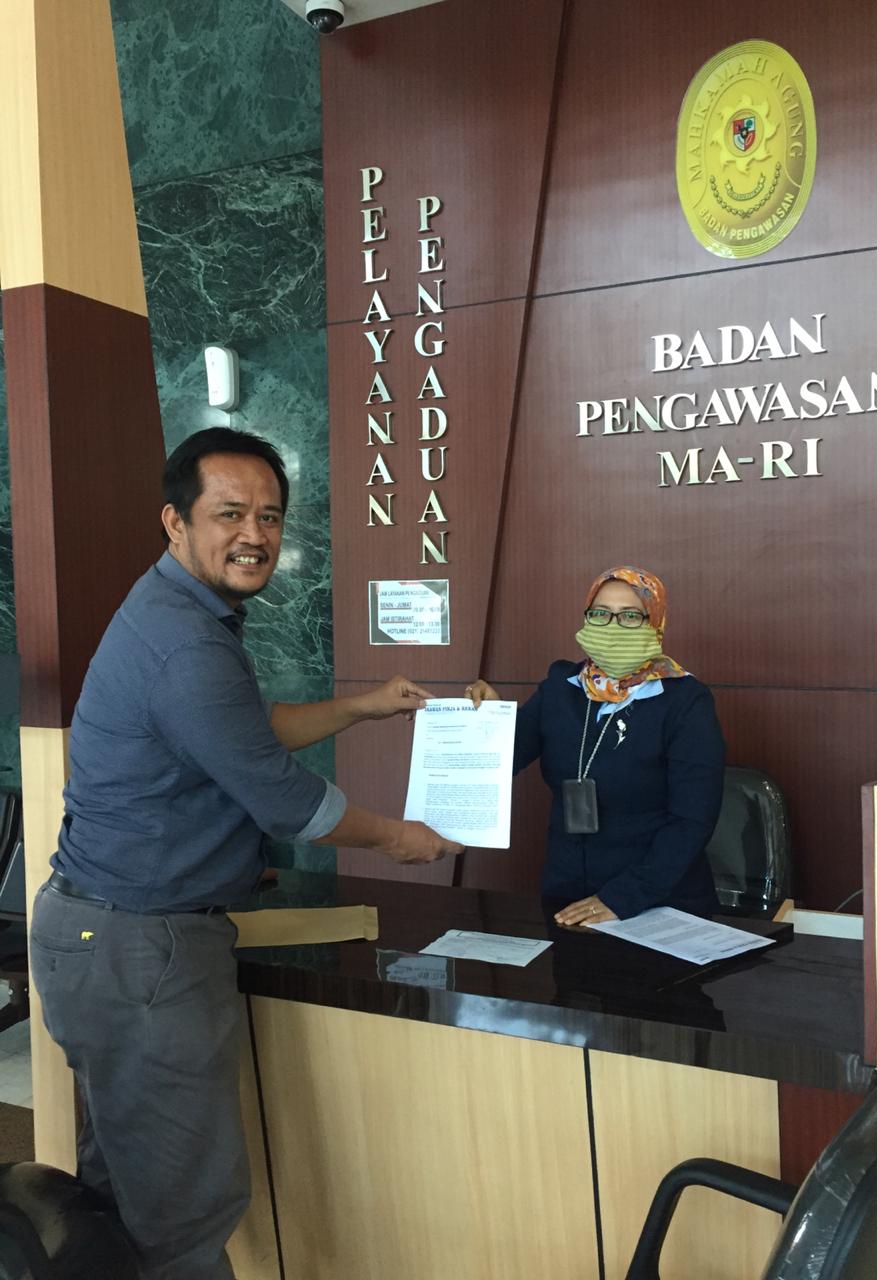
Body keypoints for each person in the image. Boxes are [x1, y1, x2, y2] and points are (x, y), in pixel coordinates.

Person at [28, 427, 461, 1280]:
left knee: (128, 1194)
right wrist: (400, 838)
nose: (254, 534)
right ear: (175, 521)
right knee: (182, 1215)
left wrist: (363, 707)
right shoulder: (186, 642)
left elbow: (246, 732)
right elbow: (285, 798)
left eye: (269, 516)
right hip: (142, 946)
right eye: (230, 513)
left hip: (102, 934)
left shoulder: (177, 612)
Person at [466, 566, 724, 928]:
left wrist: (625, 896)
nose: (612, 626)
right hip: (568, 894)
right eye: (600, 613)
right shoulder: (562, 686)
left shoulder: (684, 701)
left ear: (655, 622)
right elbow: (502, 758)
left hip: (657, 901)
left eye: (630, 616)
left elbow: (692, 820)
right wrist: (488, 719)